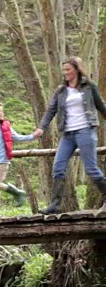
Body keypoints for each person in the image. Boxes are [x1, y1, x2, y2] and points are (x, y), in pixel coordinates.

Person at [35, 56, 106, 214]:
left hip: (85, 131)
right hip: (67, 133)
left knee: (91, 169)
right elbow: (50, 110)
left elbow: (101, 106)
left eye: (68, 69)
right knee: (58, 167)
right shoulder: (61, 90)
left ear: (77, 69)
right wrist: (42, 127)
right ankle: (55, 205)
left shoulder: (89, 86)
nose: (65, 73)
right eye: (64, 70)